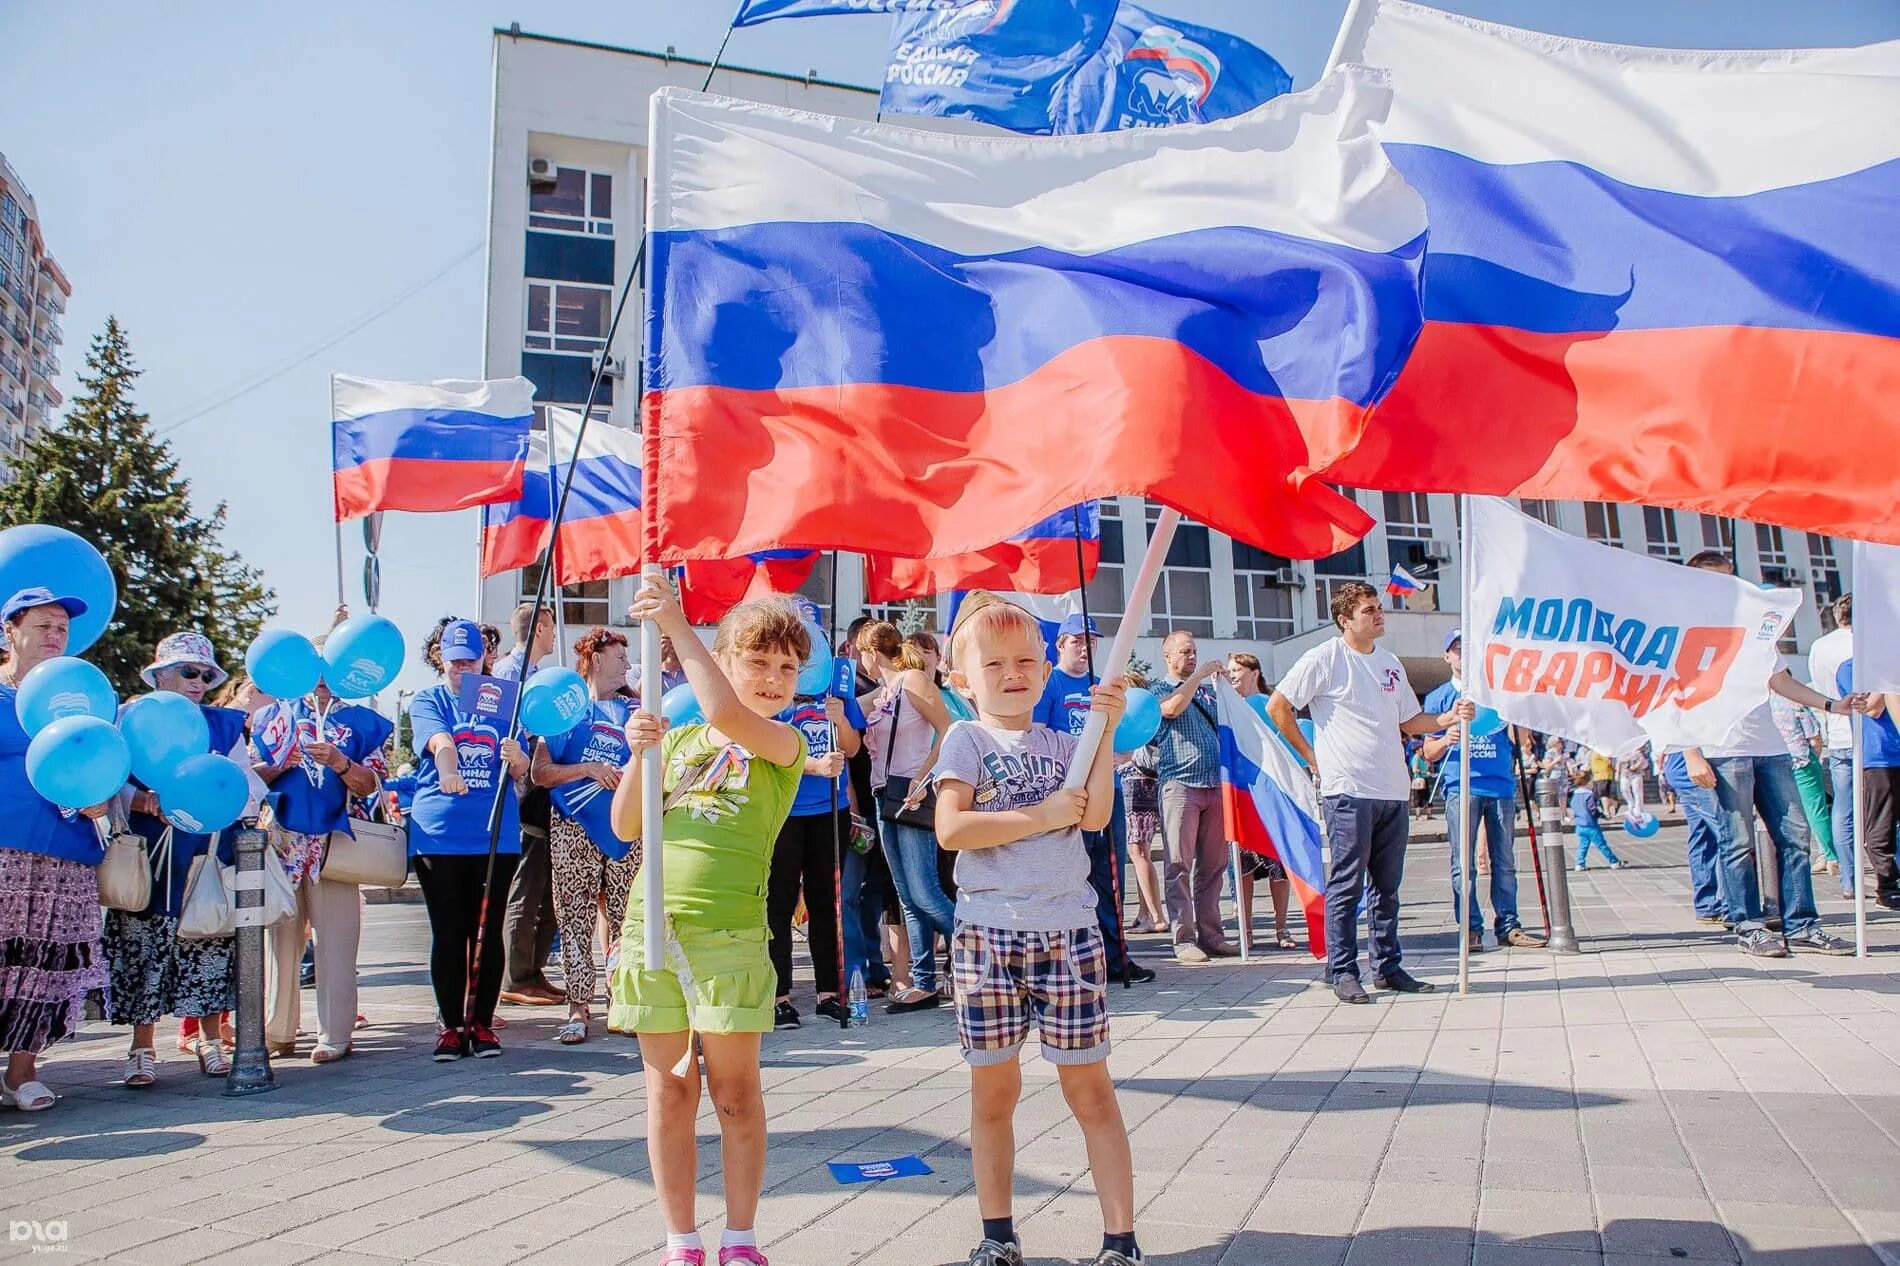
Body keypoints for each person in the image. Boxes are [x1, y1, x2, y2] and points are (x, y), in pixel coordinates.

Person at [931, 598, 1139, 1266]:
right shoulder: (964, 740)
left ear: (1048, 673)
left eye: (1026, 661)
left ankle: (1120, 1239)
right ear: (963, 679)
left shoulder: (1063, 744)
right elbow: (951, 829)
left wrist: (1103, 734)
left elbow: (1097, 816)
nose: (1011, 673)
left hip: (1068, 934)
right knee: (994, 1091)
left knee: (1091, 1089)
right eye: (993, 663)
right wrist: (1041, 815)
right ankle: (997, 1234)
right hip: (986, 936)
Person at [607, 587, 810, 1266]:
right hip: (653, 931)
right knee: (668, 1089)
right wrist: (641, 754)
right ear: (723, 659)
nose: (774, 680)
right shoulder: (682, 739)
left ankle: (741, 1239)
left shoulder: (784, 745)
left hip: (730, 936)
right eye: (758, 662)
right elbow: (626, 825)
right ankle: (680, 1241)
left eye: (787, 669)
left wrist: (673, 621)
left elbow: (723, 707)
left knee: (734, 1091)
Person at [1269, 582, 1474, 1004]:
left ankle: (1387, 967)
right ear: (1345, 620)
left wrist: (1447, 717)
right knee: (1347, 884)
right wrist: (1312, 757)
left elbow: (1410, 720)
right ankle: (1342, 970)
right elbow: (1278, 707)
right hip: (1348, 790)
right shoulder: (1324, 658)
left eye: (1380, 608)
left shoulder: (1390, 663)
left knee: (1388, 885)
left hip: (1392, 790)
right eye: (1369, 610)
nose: (1380, 615)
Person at [1676, 550, 1854, 957]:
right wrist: (1691, 753)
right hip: (1724, 750)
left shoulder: (1754, 628)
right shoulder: (1686, 630)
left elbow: (1781, 681)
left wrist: (1830, 705)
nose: (1724, 585)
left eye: (1728, 577)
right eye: (1712, 578)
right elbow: (1675, 695)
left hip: (1770, 748)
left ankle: (1803, 924)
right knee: (1736, 842)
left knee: (1795, 836)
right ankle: (1749, 925)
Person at [106, 632, 255, 1084]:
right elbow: (110, 777)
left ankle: (210, 1040)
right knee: (143, 947)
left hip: (205, 851)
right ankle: (141, 1048)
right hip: (149, 851)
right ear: (160, 675)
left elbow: (243, 782)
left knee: (208, 942)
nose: (199, 682)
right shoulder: (127, 718)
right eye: (189, 672)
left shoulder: (222, 724)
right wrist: (140, 800)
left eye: (207, 675)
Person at [0, 589, 113, 1111]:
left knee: (44, 962)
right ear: (10, 631)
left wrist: (100, 799)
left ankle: (22, 1072)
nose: (54, 635)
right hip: (6, 852)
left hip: (65, 856)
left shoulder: (83, 701)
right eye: (43, 625)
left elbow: (107, 768)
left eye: (62, 629)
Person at [407, 619, 530, 1060]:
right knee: (449, 929)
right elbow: (439, 740)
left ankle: (480, 1023)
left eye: (470, 658)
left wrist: (518, 759)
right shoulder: (428, 699)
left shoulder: (502, 701)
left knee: (487, 928)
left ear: (484, 659)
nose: (461, 666)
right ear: (441, 658)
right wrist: (448, 769)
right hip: (439, 834)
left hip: (495, 833)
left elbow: (524, 769)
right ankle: (450, 1024)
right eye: (454, 659)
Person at [257, 671, 389, 1063]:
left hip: (334, 843)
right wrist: (281, 763)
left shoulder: (361, 721)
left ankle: (335, 1032)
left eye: (331, 672)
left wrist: (340, 762)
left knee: (337, 939)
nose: (321, 681)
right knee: (280, 939)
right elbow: (253, 775)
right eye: (313, 671)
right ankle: (277, 1031)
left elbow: (370, 784)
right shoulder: (276, 715)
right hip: (282, 841)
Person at [531, 627, 640, 1045]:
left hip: (623, 825)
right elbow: (542, 773)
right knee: (573, 915)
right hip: (573, 826)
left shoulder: (635, 712)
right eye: (619, 658)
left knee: (625, 917)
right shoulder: (566, 710)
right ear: (595, 659)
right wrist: (588, 769)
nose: (627, 667)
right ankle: (578, 1005)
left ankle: (621, 1000)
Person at [1033, 614, 1153, 983]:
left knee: (1111, 876)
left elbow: (1123, 733)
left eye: (1091, 642)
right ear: (1060, 645)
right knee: (1071, 877)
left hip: (1108, 791)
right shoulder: (1050, 683)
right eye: (1077, 641)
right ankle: (1073, 958)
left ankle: (1116, 958)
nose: (1085, 648)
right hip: (1068, 795)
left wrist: (1126, 754)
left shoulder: (1101, 686)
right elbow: (1038, 733)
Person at [1422, 631, 1544, 952]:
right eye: (1456, 650)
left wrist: (1520, 713)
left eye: (1468, 649)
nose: (1463, 654)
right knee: (1464, 863)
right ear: (1447, 656)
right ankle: (1470, 928)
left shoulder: (1498, 695)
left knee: (1504, 861)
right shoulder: (1439, 698)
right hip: (1461, 786)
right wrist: (1444, 739)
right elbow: (1428, 751)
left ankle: (1508, 925)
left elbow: (1520, 742)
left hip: (1500, 785)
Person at [859, 621, 955, 1013]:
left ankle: (986, 950)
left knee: (926, 892)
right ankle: (924, 982)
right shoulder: (885, 692)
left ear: (871, 651)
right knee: (907, 898)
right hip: (885, 795)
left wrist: (922, 775)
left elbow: (948, 728)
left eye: (859, 652)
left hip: (912, 795)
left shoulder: (912, 680)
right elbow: (851, 712)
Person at [767, 669, 863, 1028]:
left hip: (830, 810)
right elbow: (769, 749)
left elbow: (852, 748)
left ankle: (828, 993)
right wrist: (813, 767)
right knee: (779, 902)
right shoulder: (775, 690)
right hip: (786, 811)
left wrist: (839, 720)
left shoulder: (836, 691)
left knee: (827, 903)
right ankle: (779, 997)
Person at [1150, 631, 1238, 965]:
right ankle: (1182, 937)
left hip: (1214, 785)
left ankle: (1212, 934)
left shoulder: (1206, 693)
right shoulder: (1159, 688)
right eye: (1185, 651)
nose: (1192, 656)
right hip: (1180, 785)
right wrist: (1199, 676)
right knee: (1178, 863)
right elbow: (1171, 710)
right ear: (1167, 656)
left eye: (1195, 651)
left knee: (1214, 865)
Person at [495, 603, 562, 1008]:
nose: (555, 636)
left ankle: (534, 971)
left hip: (544, 792)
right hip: (523, 795)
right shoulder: (510, 675)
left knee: (545, 887)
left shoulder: (539, 676)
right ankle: (516, 975)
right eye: (552, 627)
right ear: (539, 627)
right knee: (526, 886)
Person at [1224, 651, 1296, 950]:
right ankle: (1247, 930)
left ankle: (1282, 928)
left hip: (1272, 794)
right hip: (1242, 796)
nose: (1232, 675)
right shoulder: (1229, 709)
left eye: (1237, 669)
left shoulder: (1272, 705)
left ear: (1254, 672)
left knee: (1278, 866)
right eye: (1229, 671)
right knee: (1243, 867)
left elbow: (1288, 744)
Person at [1838, 659, 1900, 911]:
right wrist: (1887, 672)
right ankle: (1887, 887)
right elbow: (1872, 707)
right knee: (1881, 826)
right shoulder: (1852, 668)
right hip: (1879, 755)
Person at [1807, 594, 1856, 893]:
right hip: (1872, 735)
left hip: (1837, 733)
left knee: (1842, 809)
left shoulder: (1819, 647)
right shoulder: (1864, 643)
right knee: (1889, 808)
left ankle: (1848, 877)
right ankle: (1890, 876)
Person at [1770, 693, 1834, 867]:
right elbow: (1815, 738)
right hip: (1803, 761)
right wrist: (1816, 759)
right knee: (1816, 810)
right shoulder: (1794, 701)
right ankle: (1829, 855)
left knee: (1788, 813)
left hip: (1776, 763)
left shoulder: (1764, 704)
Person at [1115, 741, 1168, 935]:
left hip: (1134, 778)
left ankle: (1156, 917)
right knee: (1141, 851)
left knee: (1138, 852)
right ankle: (1144, 913)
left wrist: (1127, 757)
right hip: (1145, 776)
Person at [1569, 769, 1624, 870]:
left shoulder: (1575, 795)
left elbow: (1573, 806)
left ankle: (1579, 864)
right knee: (1602, 845)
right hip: (1591, 825)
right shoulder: (1589, 795)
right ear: (1588, 782)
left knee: (1583, 845)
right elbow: (1592, 810)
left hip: (1579, 825)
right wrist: (1603, 816)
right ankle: (1614, 862)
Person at [1619, 747, 1651, 822]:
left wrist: (1640, 760)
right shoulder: (1625, 752)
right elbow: (1620, 761)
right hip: (1625, 774)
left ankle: (1638, 809)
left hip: (1636, 774)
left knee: (1637, 792)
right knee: (1624, 789)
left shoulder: (1641, 754)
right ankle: (1631, 804)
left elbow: (1645, 765)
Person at [1588, 748, 1619, 817]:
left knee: (1603, 793)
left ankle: (1606, 811)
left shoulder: (1602, 751)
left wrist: (1613, 769)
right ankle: (1613, 802)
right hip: (1596, 776)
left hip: (1603, 775)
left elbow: (1608, 761)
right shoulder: (1593, 751)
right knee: (1597, 794)